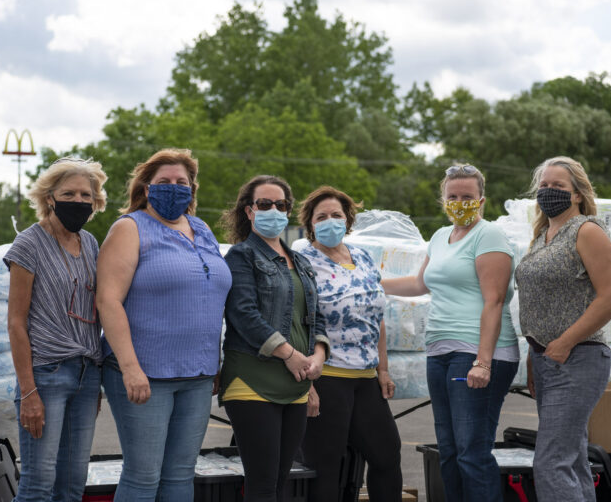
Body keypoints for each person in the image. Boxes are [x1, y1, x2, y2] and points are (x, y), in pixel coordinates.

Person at [96, 149, 232, 500]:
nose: (173, 188)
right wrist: (130, 369)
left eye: (181, 182)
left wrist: (214, 360)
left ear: (192, 188)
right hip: (145, 375)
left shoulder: (201, 229)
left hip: (198, 375)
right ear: (146, 187)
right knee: (143, 477)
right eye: (164, 182)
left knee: (180, 476)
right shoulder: (130, 228)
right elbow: (108, 300)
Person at [382, 163, 519, 502]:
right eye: (453, 196)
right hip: (440, 353)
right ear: (443, 199)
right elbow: (419, 283)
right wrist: (367, 280)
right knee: (449, 449)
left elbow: (495, 299)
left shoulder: (489, 236)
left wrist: (483, 362)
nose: (460, 202)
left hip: (476, 353)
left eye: (468, 196)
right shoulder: (441, 237)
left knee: (472, 451)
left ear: (482, 200)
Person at [515, 156, 611, 501]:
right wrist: (536, 353)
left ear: (577, 194)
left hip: (578, 358)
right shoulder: (542, 236)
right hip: (547, 359)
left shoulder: (587, 231)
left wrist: (563, 343)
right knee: (572, 460)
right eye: (543, 186)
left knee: (550, 462)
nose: (548, 192)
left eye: (558, 186)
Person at [219, 175, 329, 502]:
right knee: (263, 484)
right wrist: (290, 355)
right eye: (264, 204)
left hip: (294, 384)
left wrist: (317, 358)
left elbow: (316, 317)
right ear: (249, 211)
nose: (273, 211)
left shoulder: (302, 262)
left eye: (280, 205)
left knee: (281, 482)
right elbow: (243, 314)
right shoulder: (241, 257)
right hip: (253, 380)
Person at [4, 157, 107, 502]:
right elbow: (16, 321)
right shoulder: (28, 245)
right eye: (69, 193)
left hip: (86, 374)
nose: (78, 201)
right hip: (46, 375)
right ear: (50, 197)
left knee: (73, 484)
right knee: (38, 484)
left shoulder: (90, 243)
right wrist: (28, 391)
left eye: (86, 195)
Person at [297, 186, 402, 502]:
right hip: (327, 380)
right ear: (311, 224)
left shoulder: (364, 258)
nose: (330, 221)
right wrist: (307, 385)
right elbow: (297, 323)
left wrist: (383, 369)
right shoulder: (302, 262)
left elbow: (377, 316)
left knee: (387, 457)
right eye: (322, 217)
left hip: (366, 381)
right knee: (326, 468)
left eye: (336, 215)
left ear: (348, 220)